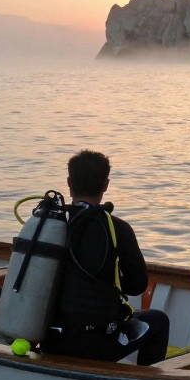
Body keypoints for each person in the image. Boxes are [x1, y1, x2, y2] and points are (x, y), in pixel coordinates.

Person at [41, 150, 170, 366]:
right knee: (158, 320)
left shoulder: (47, 225)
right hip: (98, 344)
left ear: (69, 182)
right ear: (106, 184)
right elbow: (137, 286)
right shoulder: (118, 228)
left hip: (49, 339)